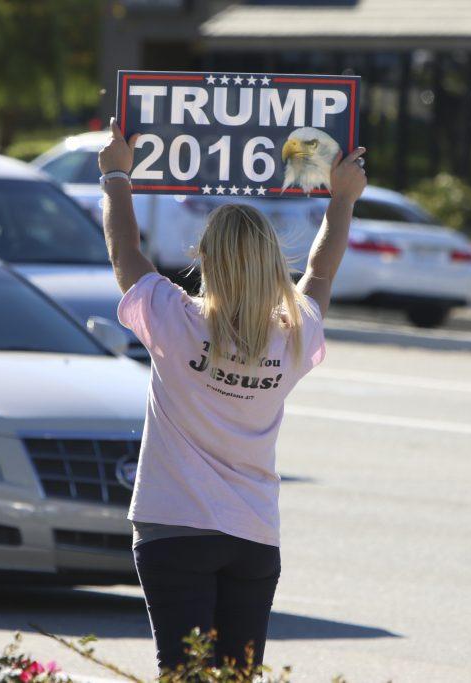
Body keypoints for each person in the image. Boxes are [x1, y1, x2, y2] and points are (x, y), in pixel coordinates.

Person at [98, 118, 366, 672]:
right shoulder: (290, 334)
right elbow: (318, 273)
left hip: (172, 529)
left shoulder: (176, 321)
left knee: (185, 672)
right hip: (254, 538)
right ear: (270, 260)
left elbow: (126, 256)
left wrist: (117, 176)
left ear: (207, 260)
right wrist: (342, 200)